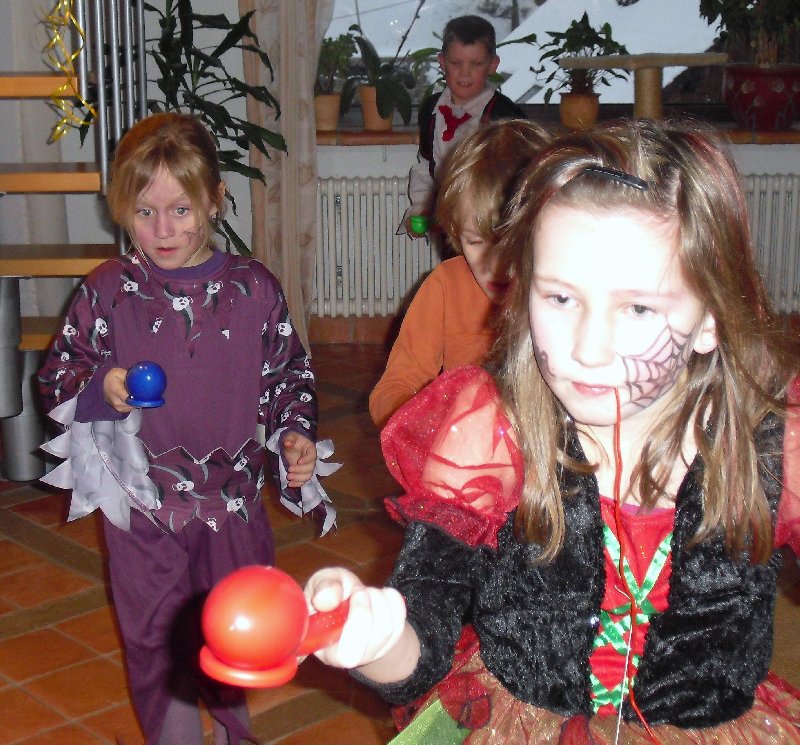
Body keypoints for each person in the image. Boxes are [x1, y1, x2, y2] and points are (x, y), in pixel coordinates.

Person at [304, 120, 800, 742]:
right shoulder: (489, 433)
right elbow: (420, 645)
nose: (587, 349)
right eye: (560, 299)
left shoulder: (773, 445)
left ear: (710, 320)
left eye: (638, 308)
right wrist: (375, 640)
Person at [37, 112, 332, 745]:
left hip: (233, 508)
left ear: (214, 200)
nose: (163, 229)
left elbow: (289, 374)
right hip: (141, 508)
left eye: (180, 210)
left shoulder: (254, 290)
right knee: (152, 637)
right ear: (122, 208)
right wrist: (100, 385)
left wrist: (295, 434)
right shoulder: (108, 291)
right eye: (144, 213)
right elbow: (57, 375)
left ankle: (232, 733)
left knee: (235, 633)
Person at [370, 119, 550, 428]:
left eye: (512, 243)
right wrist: (430, 425)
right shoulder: (445, 286)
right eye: (476, 242)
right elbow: (394, 389)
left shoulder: (568, 295)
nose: (496, 265)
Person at [399, 14, 527, 236]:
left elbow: (518, 180)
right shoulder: (431, 109)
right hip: (447, 220)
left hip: (492, 225)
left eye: (476, 64)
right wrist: (420, 209)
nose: (465, 72)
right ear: (442, 62)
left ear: (492, 65)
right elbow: (426, 166)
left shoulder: (506, 116)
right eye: (456, 63)